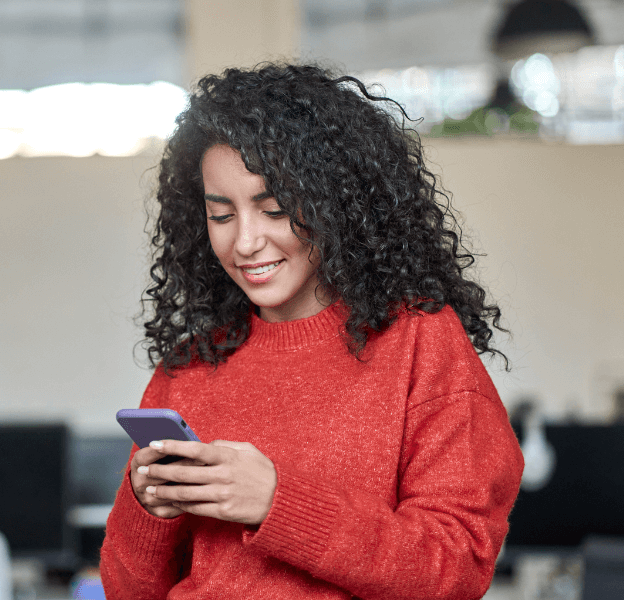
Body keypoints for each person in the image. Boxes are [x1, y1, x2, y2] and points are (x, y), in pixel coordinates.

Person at [99, 62, 524, 600]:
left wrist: (277, 502)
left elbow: (453, 567)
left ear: (337, 202)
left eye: (273, 209)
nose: (246, 242)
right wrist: (148, 510)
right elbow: (126, 592)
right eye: (221, 215)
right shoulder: (192, 365)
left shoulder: (420, 341)